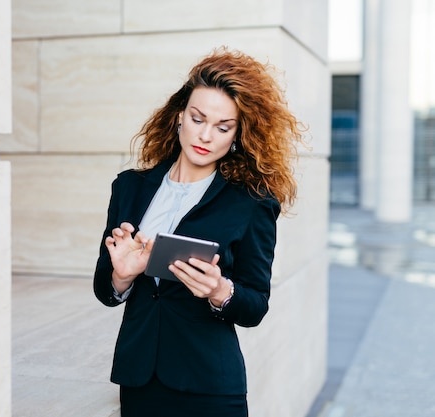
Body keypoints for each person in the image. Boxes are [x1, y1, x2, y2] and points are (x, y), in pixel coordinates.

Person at [93, 47, 305, 417]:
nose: (205, 135)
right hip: (139, 379)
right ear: (179, 118)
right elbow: (104, 289)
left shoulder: (251, 203)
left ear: (238, 135)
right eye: (197, 118)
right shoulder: (129, 187)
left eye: (223, 127)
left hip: (209, 385)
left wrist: (220, 291)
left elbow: (255, 305)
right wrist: (121, 277)